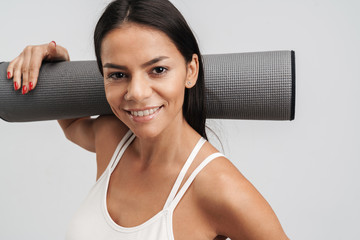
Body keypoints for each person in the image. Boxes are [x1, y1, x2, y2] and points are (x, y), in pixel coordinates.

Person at [6, 0, 289, 239]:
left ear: (191, 70)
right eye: (118, 74)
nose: (137, 93)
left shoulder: (219, 187)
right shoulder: (111, 139)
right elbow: (71, 124)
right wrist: (57, 67)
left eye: (158, 69)